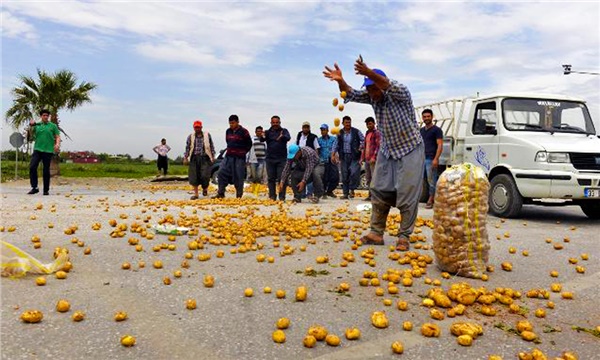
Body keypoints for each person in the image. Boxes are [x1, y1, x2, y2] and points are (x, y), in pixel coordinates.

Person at [323, 58, 424, 251]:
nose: (371, 94)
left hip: (410, 147)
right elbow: (351, 93)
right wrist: (340, 81)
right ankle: (376, 233)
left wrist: (368, 72)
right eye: (369, 90)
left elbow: (386, 84)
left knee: (407, 193)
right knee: (378, 188)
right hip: (388, 150)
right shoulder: (372, 96)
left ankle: (404, 236)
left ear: (381, 86)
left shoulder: (400, 93)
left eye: (374, 89)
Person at [215, 114, 252, 199]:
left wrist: (242, 152)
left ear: (238, 122)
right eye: (230, 123)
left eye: (233, 123)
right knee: (221, 172)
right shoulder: (228, 131)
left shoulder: (244, 131)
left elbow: (249, 144)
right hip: (228, 156)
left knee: (238, 176)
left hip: (239, 157)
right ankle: (221, 193)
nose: (231, 125)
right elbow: (228, 142)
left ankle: (239, 195)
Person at [27, 109, 60, 195]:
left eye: (47, 115)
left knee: (46, 171)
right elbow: (30, 134)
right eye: (44, 115)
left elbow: (57, 136)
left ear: (48, 116)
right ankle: (34, 187)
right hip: (37, 149)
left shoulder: (53, 126)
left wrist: (57, 144)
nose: (45, 117)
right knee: (32, 167)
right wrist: (31, 125)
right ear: (41, 116)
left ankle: (46, 190)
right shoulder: (36, 125)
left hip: (48, 150)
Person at [261, 115, 291, 201]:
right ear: (270, 123)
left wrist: (282, 137)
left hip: (281, 159)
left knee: (282, 178)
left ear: (279, 122)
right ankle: (272, 197)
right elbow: (261, 139)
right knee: (271, 179)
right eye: (273, 122)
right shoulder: (267, 132)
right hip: (270, 159)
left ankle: (282, 197)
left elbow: (288, 138)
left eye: (277, 122)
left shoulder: (284, 131)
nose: (275, 124)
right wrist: (262, 136)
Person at [334, 115, 364, 199]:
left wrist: (361, 147)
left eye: (349, 122)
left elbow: (363, 140)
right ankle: (345, 193)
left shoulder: (356, 131)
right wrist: (333, 153)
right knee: (345, 175)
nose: (348, 124)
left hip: (354, 156)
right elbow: (336, 144)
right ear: (342, 123)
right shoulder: (340, 132)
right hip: (343, 156)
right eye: (346, 122)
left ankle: (352, 189)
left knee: (354, 172)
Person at [184, 120, 215, 199]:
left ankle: (205, 188)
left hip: (205, 157)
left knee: (205, 175)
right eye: (195, 127)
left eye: (198, 127)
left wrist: (213, 156)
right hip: (194, 158)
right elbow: (187, 147)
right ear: (194, 128)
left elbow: (211, 146)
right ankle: (196, 194)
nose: (197, 129)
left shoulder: (207, 135)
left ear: (201, 127)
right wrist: (185, 157)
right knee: (194, 176)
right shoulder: (190, 136)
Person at [420, 109, 443, 209]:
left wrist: (436, 159)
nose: (426, 118)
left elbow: (440, 145)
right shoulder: (421, 131)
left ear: (432, 117)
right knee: (422, 180)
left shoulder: (437, 130)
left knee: (431, 181)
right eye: (424, 117)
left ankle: (431, 199)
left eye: (428, 116)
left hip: (431, 159)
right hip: (421, 159)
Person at [295, 121, 320, 198]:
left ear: (309, 128)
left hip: (310, 158)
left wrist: (315, 159)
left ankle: (309, 193)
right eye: (304, 127)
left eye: (307, 127)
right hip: (300, 159)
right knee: (301, 175)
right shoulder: (299, 135)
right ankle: (301, 193)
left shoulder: (313, 137)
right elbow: (297, 145)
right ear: (302, 128)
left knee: (309, 175)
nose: (305, 129)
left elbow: (316, 148)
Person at [361, 117, 382, 201]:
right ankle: (370, 195)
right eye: (367, 124)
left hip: (373, 160)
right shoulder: (367, 133)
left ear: (374, 124)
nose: (368, 125)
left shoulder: (376, 133)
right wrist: (362, 158)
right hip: (367, 159)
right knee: (368, 178)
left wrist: (374, 156)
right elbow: (365, 146)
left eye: (370, 124)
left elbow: (378, 146)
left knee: (374, 178)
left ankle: (376, 196)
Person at [317, 124, 339, 198]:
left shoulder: (333, 139)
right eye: (321, 130)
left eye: (324, 130)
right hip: (323, 161)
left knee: (335, 177)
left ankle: (330, 191)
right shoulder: (319, 140)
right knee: (325, 178)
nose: (323, 131)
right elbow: (317, 150)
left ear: (327, 130)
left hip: (332, 160)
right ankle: (323, 192)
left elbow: (336, 147)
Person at [247, 126, 267, 196]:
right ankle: (253, 189)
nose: (259, 132)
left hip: (262, 160)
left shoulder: (264, 140)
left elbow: (266, 150)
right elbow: (248, 150)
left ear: (262, 132)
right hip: (253, 160)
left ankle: (256, 192)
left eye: (260, 131)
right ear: (255, 132)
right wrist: (247, 160)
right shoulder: (252, 139)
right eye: (258, 131)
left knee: (259, 176)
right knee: (254, 176)